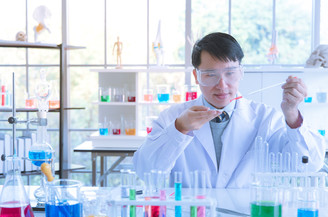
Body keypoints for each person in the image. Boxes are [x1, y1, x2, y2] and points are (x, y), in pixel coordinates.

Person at [133, 32, 325, 188]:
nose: (222, 85)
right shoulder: (173, 118)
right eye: (210, 75)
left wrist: (292, 115)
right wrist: (179, 130)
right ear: (196, 76)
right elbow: (146, 172)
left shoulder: (265, 118)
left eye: (230, 73)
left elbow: (307, 165)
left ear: (241, 72)